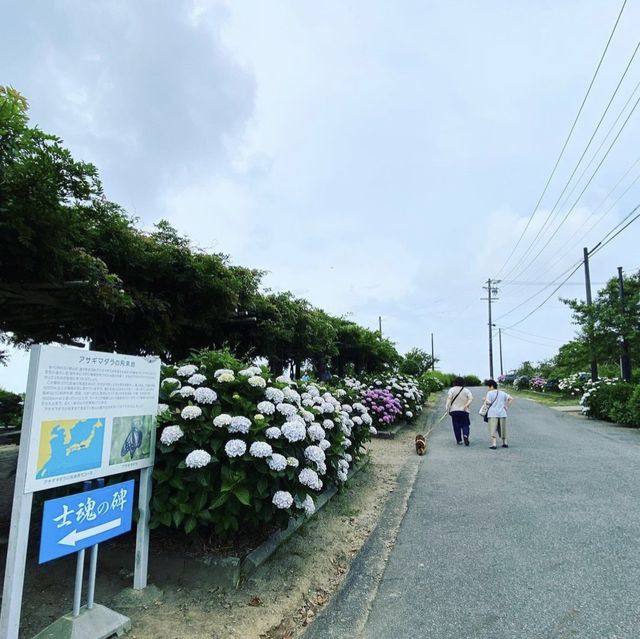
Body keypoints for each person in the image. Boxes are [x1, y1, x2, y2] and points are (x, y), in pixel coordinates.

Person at [483, 379, 513, 450]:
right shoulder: (502, 393)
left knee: (493, 429)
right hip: (502, 413)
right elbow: (511, 398)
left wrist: (484, 399)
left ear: (491, 386)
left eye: (488, 386)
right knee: (503, 428)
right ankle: (505, 442)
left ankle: (494, 444)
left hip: (493, 413)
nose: (488, 388)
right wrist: (506, 406)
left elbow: (489, 403)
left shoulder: (489, 393)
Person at [445, 377, 473, 446]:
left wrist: (447, 406)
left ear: (455, 382)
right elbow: (471, 398)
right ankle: (466, 435)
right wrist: (466, 405)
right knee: (465, 425)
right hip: (464, 411)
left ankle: (459, 440)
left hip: (454, 411)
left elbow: (449, 398)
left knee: (456, 425)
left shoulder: (451, 390)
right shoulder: (466, 390)